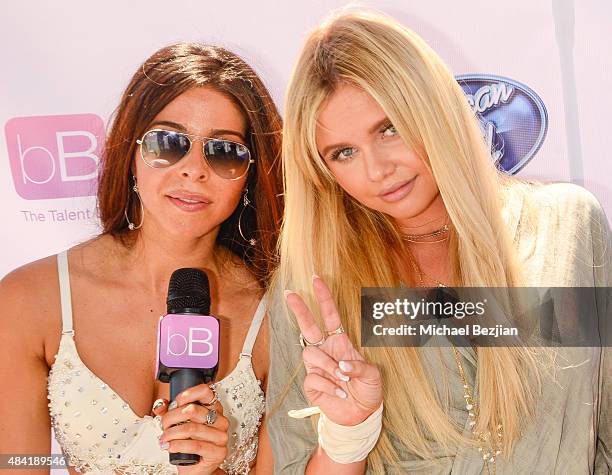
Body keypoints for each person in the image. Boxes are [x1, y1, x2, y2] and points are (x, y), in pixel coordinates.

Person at [264, 10, 611, 474]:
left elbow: (602, 426)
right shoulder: (314, 284)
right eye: (343, 153)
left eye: (389, 128)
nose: (376, 169)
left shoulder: (565, 228)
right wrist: (349, 433)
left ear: (432, 107)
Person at [0, 43, 283, 474]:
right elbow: (17, 464)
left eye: (224, 151)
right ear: (130, 154)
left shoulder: (279, 311)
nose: (193, 169)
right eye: (168, 143)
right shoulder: (30, 300)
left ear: (250, 174)